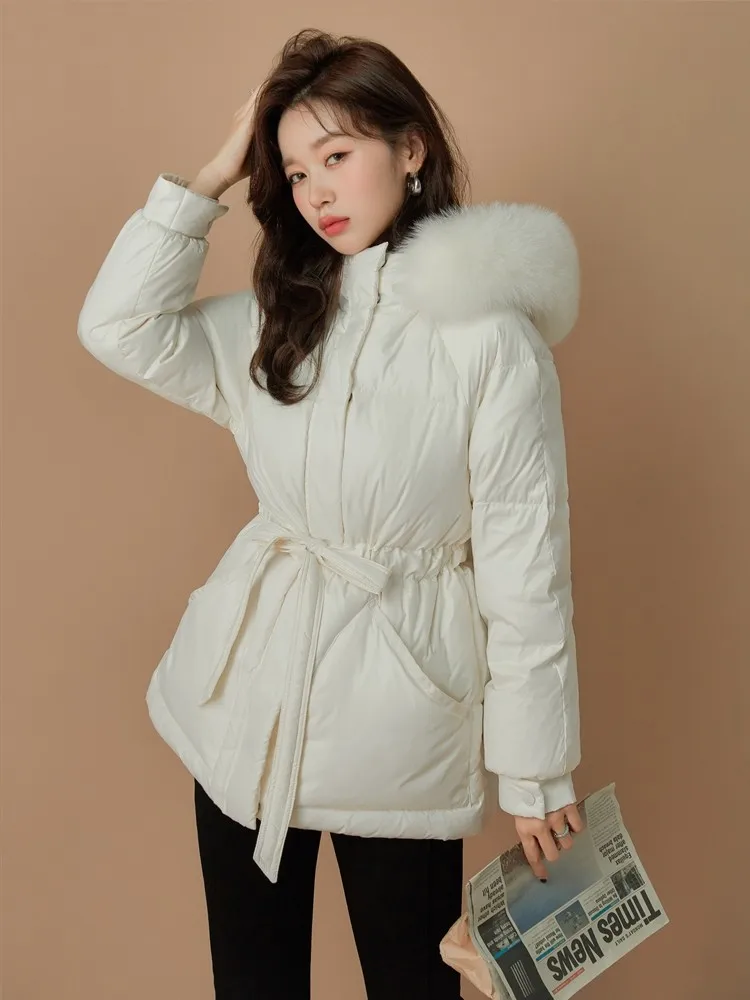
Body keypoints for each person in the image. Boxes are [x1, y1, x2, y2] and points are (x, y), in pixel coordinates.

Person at [77, 27, 584, 1000]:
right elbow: (118, 326)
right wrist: (212, 176)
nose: (316, 192)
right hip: (246, 714)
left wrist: (535, 775)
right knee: (252, 981)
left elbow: (528, 563)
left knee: (411, 981)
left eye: (338, 156)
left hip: (400, 716)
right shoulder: (283, 315)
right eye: (296, 170)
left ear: (411, 148)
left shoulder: (490, 340)